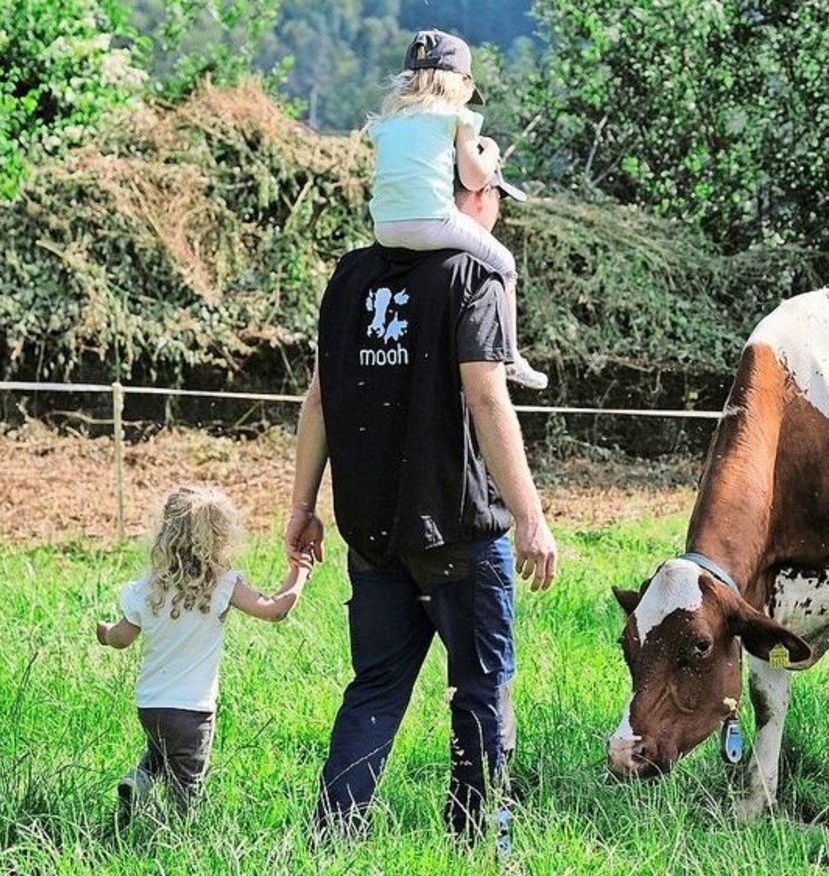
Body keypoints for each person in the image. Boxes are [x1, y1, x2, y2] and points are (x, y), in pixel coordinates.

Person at [284, 163, 558, 844]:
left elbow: (318, 397)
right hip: (462, 532)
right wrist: (529, 516)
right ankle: (478, 845)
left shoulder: (349, 278)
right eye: (493, 194)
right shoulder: (474, 275)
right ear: (471, 193)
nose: (495, 209)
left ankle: (332, 841)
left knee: (375, 688)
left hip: (373, 533)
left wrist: (302, 505)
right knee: (482, 691)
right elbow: (488, 396)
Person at [95, 484, 311, 816]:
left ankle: (140, 779)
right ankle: (182, 834)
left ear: (165, 532)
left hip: (150, 706)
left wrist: (105, 632)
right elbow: (274, 609)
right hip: (193, 712)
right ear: (221, 537)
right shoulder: (223, 584)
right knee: (188, 787)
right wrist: (300, 573)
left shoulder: (148, 588)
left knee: (162, 750)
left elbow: (121, 638)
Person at [365, 28, 549, 391]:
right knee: (505, 266)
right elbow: (474, 177)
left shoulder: (387, 123)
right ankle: (510, 356)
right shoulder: (457, 118)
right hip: (433, 221)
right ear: (462, 82)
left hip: (384, 228)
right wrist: (491, 150)